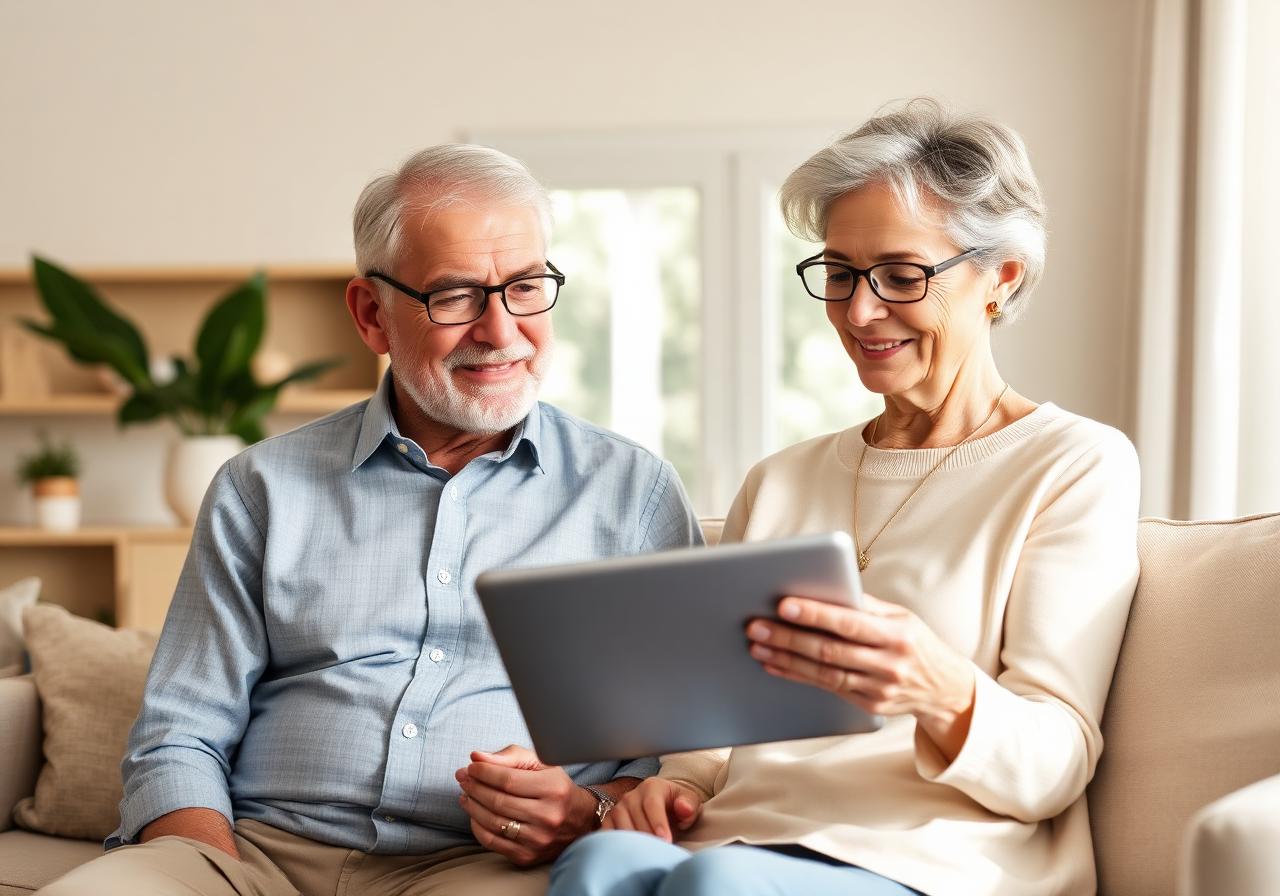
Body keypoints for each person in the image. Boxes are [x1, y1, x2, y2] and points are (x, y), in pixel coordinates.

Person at [37, 145, 701, 896]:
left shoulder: (633, 493)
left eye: (525, 287)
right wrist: (211, 871)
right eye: (455, 296)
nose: (500, 329)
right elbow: (179, 734)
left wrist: (589, 808)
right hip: (252, 856)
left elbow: (682, 756)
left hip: (483, 869)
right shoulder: (260, 489)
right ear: (370, 313)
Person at [550, 98, 1140, 896]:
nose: (859, 311)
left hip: (936, 857)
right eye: (838, 273)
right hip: (745, 842)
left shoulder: (1073, 464)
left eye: (901, 275)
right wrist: (679, 785)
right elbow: (716, 730)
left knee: (714, 888)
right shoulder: (782, 480)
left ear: (1000, 277)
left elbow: (1054, 765)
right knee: (599, 861)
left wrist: (939, 684)